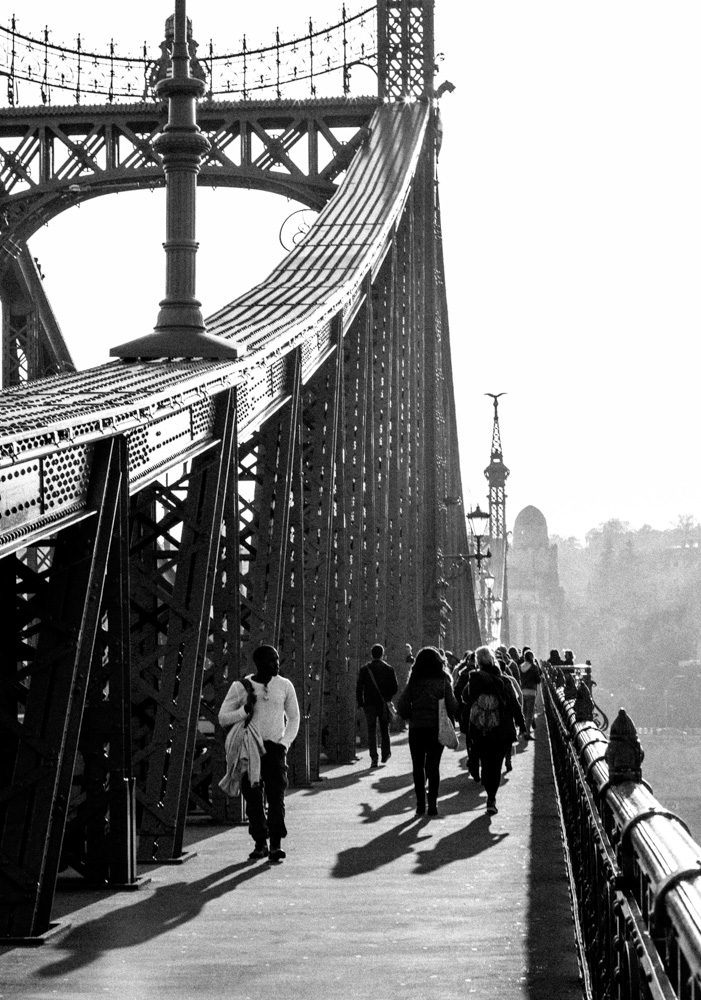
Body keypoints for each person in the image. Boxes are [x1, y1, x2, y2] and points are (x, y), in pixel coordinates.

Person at [218, 644, 300, 863]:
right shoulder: (240, 687)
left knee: (276, 797)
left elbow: (294, 718)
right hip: (249, 750)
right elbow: (223, 717)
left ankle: (275, 844)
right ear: (259, 663)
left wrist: (284, 744)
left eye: (277, 659)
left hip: (274, 749)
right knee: (253, 799)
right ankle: (260, 843)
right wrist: (244, 711)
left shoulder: (284, 685)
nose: (277, 664)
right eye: (272, 660)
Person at [463, 645, 526, 815]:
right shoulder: (504, 681)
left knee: (486, 761)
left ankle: (484, 777)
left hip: (480, 729)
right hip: (501, 730)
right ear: (493, 660)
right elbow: (514, 704)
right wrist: (522, 725)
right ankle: (491, 798)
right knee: (496, 765)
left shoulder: (474, 679)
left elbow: (464, 696)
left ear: (478, 662)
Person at [397, 646, 459, 817]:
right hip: (436, 728)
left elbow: (402, 704)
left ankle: (419, 805)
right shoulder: (443, 681)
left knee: (418, 767)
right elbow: (453, 706)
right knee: (433, 766)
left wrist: (410, 715)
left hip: (417, 728)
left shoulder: (414, 681)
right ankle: (433, 805)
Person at [356, 644, 398, 768]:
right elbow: (395, 687)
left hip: (369, 704)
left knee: (371, 731)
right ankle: (385, 753)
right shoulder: (389, 669)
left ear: (371, 654)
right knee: (385, 729)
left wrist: (361, 702)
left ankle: (374, 758)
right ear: (383, 654)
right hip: (383, 704)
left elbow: (359, 688)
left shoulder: (365, 669)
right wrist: (388, 698)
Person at [518, 649, 542, 739]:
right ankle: (527, 733)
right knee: (529, 713)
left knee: (523, 711)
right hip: (531, 692)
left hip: (523, 691)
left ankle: (522, 731)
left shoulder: (521, 667)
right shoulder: (534, 667)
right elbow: (538, 680)